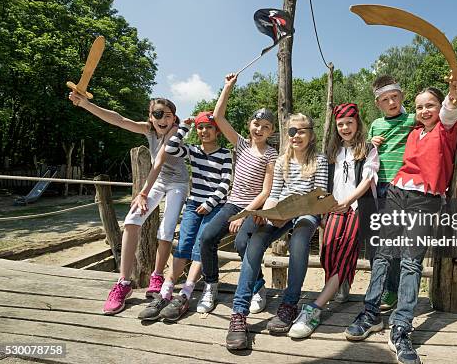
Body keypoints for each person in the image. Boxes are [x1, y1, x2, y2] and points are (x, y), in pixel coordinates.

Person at [345, 74, 457, 364]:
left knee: (411, 261)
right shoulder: (414, 131)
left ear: (438, 107)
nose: (425, 111)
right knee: (382, 255)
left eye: (431, 105)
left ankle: (401, 328)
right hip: (396, 193)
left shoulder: (445, 129)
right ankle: (371, 312)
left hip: (424, 201)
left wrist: (454, 95)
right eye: (419, 107)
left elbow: (451, 110)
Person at [68, 91, 188, 315]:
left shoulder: (174, 132)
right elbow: (119, 120)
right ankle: (123, 283)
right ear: (150, 116)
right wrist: (86, 105)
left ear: (174, 118)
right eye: (157, 114)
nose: (163, 119)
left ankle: (157, 275)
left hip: (177, 183)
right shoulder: (149, 130)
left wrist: (143, 192)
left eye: (168, 115)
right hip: (158, 182)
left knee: (166, 229)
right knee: (132, 220)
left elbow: (160, 161)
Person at [226, 113, 329, 350]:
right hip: (280, 210)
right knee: (255, 241)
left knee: (300, 241)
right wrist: (268, 213)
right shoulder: (282, 160)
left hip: (306, 211)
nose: (296, 136)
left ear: (311, 134)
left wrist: (292, 212)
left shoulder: (320, 160)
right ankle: (239, 313)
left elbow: (319, 197)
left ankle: (289, 303)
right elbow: (274, 194)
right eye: (292, 132)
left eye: (301, 131)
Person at [288, 103, 379, 338]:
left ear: (357, 123)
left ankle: (315, 309)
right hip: (332, 208)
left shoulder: (368, 149)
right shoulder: (332, 152)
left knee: (344, 257)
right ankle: (341, 285)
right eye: (340, 124)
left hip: (356, 208)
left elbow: (367, 179)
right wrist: (323, 209)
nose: (345, 127)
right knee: (327, 253)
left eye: (349, 122)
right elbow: (323, 182)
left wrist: (349, 200)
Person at [194, 73, 278, 314]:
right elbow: (218, 116)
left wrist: (244, 215)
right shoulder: (240, 144)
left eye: (266, 127)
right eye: (256, 124)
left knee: (243, 243)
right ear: (249, 125)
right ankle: (211, 284)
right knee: (207, 237)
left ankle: (258, 287)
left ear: (271, 131)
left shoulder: (271, 155)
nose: (260, 129)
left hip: (252, 207)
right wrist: (227, 87)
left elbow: (266, 191)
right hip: (232, 203)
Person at [137, 111, 233, 321]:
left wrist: (210, 203)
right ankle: (166, 291)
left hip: (214, 205)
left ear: (217, 130)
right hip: (193, 204)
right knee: (183, 244)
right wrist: (184, 127)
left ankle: (186, 292)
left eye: (208, 127)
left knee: (201, 243)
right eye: (200, 127)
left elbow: (226, 182)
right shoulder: (194, 150)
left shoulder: (225, 153)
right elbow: (170, 148)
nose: (204, 131)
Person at [367, 75, 417, 311]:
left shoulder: (412, 119)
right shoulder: (376, 124)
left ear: (402, 97)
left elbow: (441, 123)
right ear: (378, 104)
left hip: (401, 186)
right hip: (379, 187)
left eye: (395, 97)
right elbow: (366, 154)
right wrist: (371, 143)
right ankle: (380, 287)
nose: (391, 102)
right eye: (385, 99)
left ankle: (392, 291)